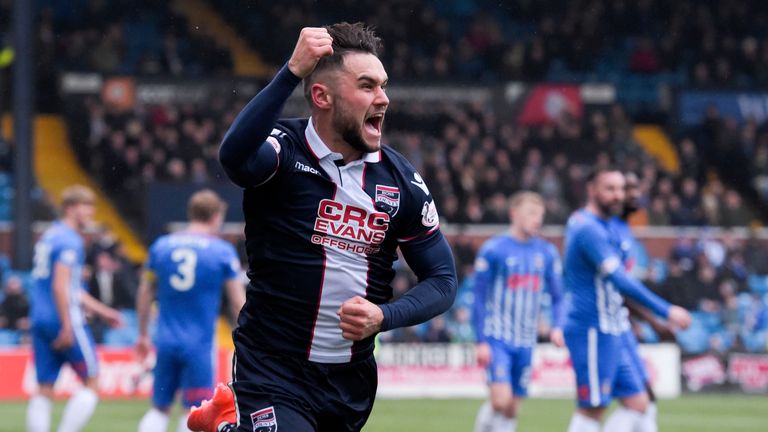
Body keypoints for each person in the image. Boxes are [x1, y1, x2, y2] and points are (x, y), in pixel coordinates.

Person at [188, 23, 457, 432]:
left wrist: (384, 316)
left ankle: (228, 425)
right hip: (271, 366)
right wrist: (292, 71)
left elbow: (442, 279)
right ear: (321, 96)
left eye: (383, 86)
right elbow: (234, 158)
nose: (383, 98)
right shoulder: (283, 149)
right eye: (367, 86)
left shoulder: (401, 181)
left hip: (349, 380)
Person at [562, 167, 691, 432]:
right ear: (592, 189)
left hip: (614, 327)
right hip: (592, 327)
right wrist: (665, 311)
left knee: (639, 402)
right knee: (593, 407)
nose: (619, 195)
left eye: (622, 189)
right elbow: (619, 280)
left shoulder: (610, 226)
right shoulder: (588, 228)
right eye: (611, 189)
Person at [136, 189, 246, 432]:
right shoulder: (222, 252)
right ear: (216, 216)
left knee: (159, 408)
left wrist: (143, 334)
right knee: (196, 410)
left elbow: (145, 293)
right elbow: (238, 301)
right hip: (198, 344)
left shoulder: (161, 246)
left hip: (164, 340)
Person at [27, 185, 123, 432]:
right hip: (63, 319)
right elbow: (61, 287)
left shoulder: (49, 236)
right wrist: (68, 326)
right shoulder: (70, 240)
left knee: (44, 387)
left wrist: (104, 312)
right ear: (70, 208)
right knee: (92, 381)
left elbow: (69, 287)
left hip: (39, 317)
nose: (90, 212)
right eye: (86, 206)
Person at [472, 191, 565, 432]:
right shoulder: (494, 249)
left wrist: (557, 326)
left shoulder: (547, 252)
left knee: (513, 407)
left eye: (540, 215)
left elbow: (558, 296)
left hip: (526, 340)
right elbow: (479, 298)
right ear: (514, 214)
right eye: (531, 214)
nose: (537, 220)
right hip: (497, 337)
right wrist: (481, 340)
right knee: (500, 401)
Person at [607, 171, 668, 432]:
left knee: (645, 400)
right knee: (634, 402)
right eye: (627, 188)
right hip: (604, 326)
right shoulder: (606, 231)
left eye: (636, 188)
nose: (634, 194)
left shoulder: (624, 231)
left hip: (620, 324)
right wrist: (655, 318)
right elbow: (613, 285)